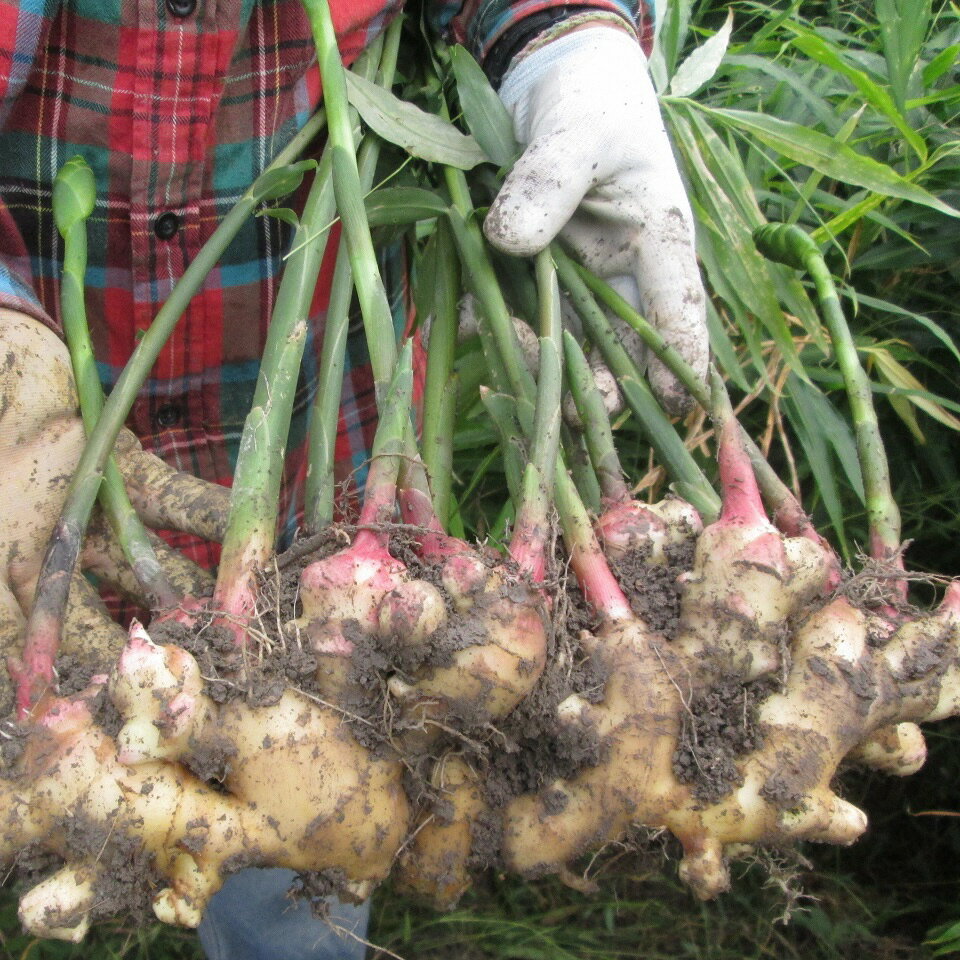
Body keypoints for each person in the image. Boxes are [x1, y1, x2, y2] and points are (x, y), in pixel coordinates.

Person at [0, 1, 708, 957]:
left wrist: (562, 32)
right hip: (23, 407)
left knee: (313, 861)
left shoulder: (356, 599)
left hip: (317, 461)